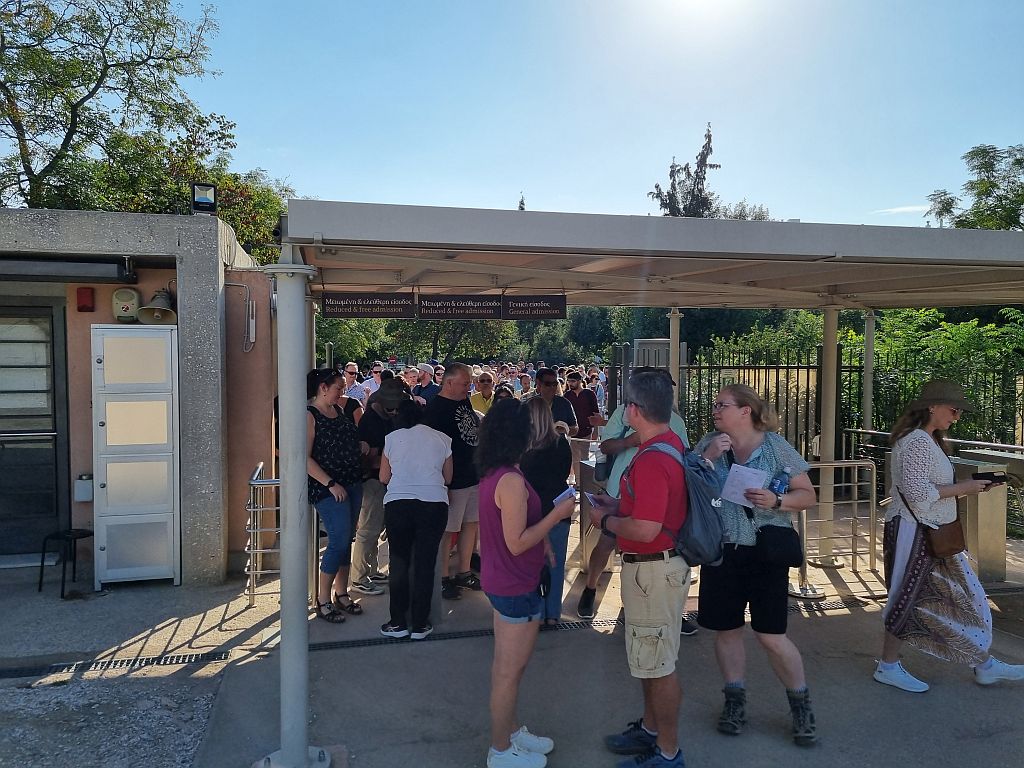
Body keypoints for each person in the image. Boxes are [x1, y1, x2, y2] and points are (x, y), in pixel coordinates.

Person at [873, 379, 1024, 692]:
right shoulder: (917, 441)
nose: (957, 416)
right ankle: (888, 666)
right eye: (954, 410)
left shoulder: (928, 439)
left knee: (961, 595)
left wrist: (971, 487)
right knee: (909, 596)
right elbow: (918, 494)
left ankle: (983, 664)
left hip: (929, 531)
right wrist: (965, 487)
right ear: (932, 406)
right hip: (916, 530)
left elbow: (930, 489)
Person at [693, 384, 818, 746]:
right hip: (722, 551)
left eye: (722, 404)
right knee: (727, 630)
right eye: (715, 404)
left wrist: (776, 501)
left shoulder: (775, 446)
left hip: (765, 553)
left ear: (745, 410)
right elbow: (690, 486)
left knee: (771, 635)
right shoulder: (709, 444)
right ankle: (734, 701)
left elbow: (808, 495)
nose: (715, 410)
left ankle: (801, 704)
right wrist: (708, 458)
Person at [589, 371, 688, 768]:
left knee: (659, 665)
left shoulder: (651, 459)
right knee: (650, 659)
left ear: (634, 410)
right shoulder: (666, 444)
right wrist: (617, 507)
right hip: (653, 570)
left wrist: (605, 520)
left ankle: (668, 752)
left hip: (653, 572)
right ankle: (650, 730)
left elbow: (646, 529)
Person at [478, 398, 576, 768]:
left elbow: (514, 531)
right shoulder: (510, 480)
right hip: (514, 584)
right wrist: (556, 515)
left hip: (512, 579)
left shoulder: (498, 472)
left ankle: (511, 731)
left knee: (509, 668)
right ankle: (500, 749)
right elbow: (517, 541)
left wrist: (544, 544)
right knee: (508, 671)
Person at [577, 368, 691, 635]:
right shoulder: (625, 414)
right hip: (621, 489)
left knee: (647, 550)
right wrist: (631, 440)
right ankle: (591, 588)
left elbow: (683, 454)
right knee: (607, 543)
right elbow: (605, 446)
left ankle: (645, 608)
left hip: (655, 496)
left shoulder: (674, 423)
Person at [378, 399, 453, 640]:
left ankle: (398, 621)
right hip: (434, 503)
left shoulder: (391, 438)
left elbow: (383, 477)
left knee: (398, 562)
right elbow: (448, 477)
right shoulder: (442, 439)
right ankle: (420, 623)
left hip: (398, 502)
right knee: (425, 563)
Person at [306, 368, 369, 623]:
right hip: (329, 488)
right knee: (338, 541)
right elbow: (304, 458)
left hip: (351, 482)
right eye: (338, 388)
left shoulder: (339, 410)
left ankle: (341, 592)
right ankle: (323, 599)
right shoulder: (309, 415)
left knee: (346, 539)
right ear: (323, 387)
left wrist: (359, 445)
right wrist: (330, 483)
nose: (342, 392)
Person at [424, 363, 483, 599]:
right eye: (465, 383)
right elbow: (432, 450)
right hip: (452, 480)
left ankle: (464, 571)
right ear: (449, 383)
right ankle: (442, 576)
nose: (469, 388)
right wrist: (442, 483)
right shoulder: (435, 409)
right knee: (447, 530)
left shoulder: (464, 401)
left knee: (471, 524)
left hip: (472, 474)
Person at [519, 397, 573, 627]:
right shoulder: (562, 443)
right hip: (559, 506)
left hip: (532, 512)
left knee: (533, 564)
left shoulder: (524, 446)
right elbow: (565, 473)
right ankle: (553, 613)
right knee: (557, 564)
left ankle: (537, 613)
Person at [351, 379, 408, 596]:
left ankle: (371, 571)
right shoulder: (370, 420)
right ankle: (359, 578)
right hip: (372, 480)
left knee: (374, 529)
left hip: (383, 480)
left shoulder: (386, 417)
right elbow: (370, 458)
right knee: (368, 530)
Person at [563, 370, 600, 483]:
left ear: (579, 381)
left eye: (573, 381)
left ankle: (586, 482)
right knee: (575, 458)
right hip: (572, 432)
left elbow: (596, 414)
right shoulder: (567, 395)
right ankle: (579, 482)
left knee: (585, 457)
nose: (570, 383)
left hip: (586, 430)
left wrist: (596, 431)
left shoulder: (589, 394)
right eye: (569, 381)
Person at [530, 367, 577, 436]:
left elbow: (575, 428)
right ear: (538, 383)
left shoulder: (564, 403)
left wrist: (566, 429)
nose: (552, 387)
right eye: (548, 384)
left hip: (559, 442)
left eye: (555, 384)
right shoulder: (528, 405)